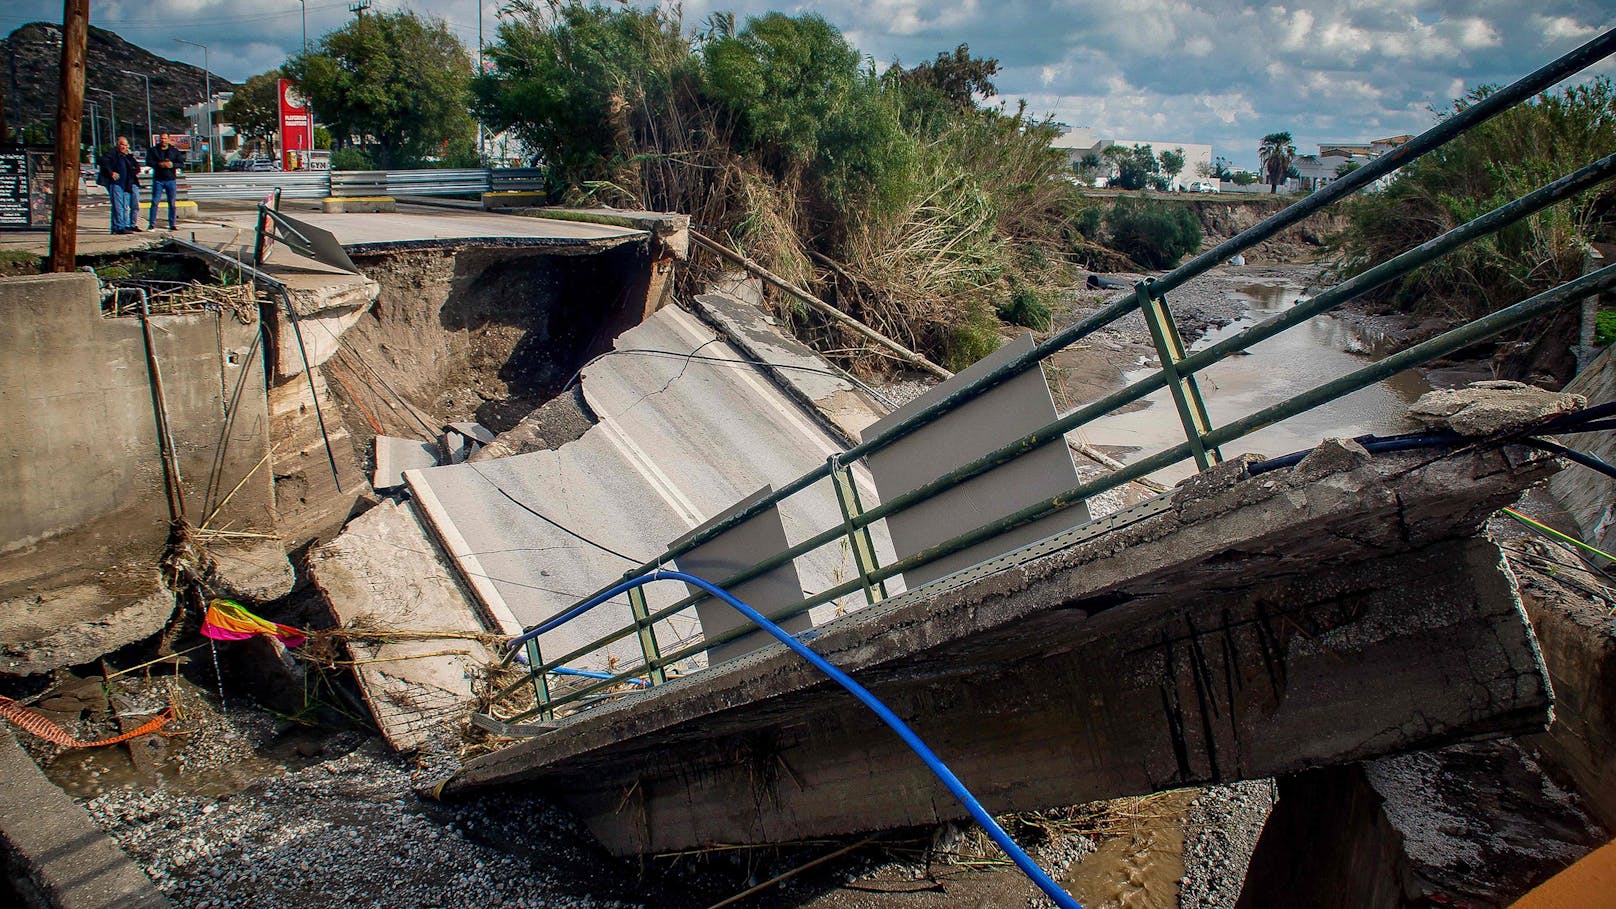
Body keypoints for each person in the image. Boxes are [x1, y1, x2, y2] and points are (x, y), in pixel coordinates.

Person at [96, 137, 142, 234]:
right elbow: (103, 161)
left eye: (125, 145)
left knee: (124, 206)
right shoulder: (113, 154)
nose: (124, 147)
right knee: (118, 206)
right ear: (117, 145)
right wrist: (111, 172)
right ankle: (119, 227)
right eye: (122, 145)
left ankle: (122, 226)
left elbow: (137, 168)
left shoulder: (128, 156)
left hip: (126, 184)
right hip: (116, 183)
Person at [146, 133, 184, 230]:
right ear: (159, 139)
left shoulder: (174, 151)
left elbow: (181, 163)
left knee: (171, 203)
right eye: (161, 139)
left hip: (170, 179)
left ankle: (172, 224)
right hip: (158, 179)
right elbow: (148, 162)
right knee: (155, 202)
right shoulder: (153, 150)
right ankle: (152, 224)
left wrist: (172, 165)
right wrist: (159, 164)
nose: (163, 140)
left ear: (168, 139)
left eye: (165, 138)